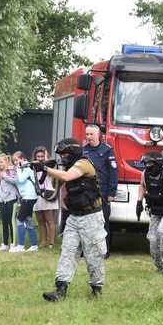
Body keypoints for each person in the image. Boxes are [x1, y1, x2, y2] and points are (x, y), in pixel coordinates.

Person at [41, 138, 106, 301]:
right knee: (67, 252)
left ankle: (96, 291)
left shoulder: (83, 164)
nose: (62, 157)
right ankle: (60, 291)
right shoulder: (69, 165)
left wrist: (45, 168)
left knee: (93, 256)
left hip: (91, 217)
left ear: (73, 152)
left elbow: (68, 176)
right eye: (60, 155)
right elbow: (58, 185)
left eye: (64, 154)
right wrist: (46, 171)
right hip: (74, 217)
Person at [82, 125, 118, 258]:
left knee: (102, 222)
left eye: (91, 134)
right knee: (85, 221)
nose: (88, 137)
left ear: (98, 135)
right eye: (87, 134)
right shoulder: (83, 151)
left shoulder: (107, 150)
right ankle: (85, 250)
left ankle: (104, 251)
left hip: (102, 191)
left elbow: (113, 172)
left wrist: (112, 193)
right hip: (86, 192)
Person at [10, 151, 39, 253]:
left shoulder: (27, 167)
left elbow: (21, 180)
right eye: (14, 161)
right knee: (28, 220)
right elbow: (17, 182)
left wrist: (17, 169)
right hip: (26, 197)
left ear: (22, 159)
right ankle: (34, 245)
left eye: (17, 160)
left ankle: (20, 246)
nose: (15, 163)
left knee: (19, 220)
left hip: (29, 197)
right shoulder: (22, 168)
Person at [32, 146, 58, 249]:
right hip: (37, 195)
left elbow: (51, 164)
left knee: (50, 220)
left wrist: (46, 158)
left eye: (42, 156)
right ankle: (43, 241)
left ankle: (52, 242)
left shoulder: (50, 165)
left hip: (47, 194)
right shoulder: (33, 166)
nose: (40, 158)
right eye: (38, 156)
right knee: (40, 221)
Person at [0, 154, 17, 251]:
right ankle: (4, 244)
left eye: (1, 162)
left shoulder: (11, 170)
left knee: (11, 222)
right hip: (2, 200)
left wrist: (5, 176)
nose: (0, 164)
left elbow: (15, 181)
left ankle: (13, 243)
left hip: (11, 199)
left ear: (6, 162)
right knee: (4, 222)